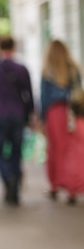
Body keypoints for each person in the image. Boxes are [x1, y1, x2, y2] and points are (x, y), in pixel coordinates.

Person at [0, 36, 34, 206]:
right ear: (13, 48)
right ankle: (14, 185)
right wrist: (30, 115)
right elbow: (28, 95)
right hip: (17, 115)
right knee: (16, 152)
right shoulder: (21, 69)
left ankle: (8, 178)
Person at [39, 39, 84, 205]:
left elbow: (44, 98)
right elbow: (79, 93)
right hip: (72, 113)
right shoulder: (73, 69)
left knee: (55, 150)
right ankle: (73, 188)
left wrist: (43, 119)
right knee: (73, 150)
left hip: (55, 113)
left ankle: (55, 185)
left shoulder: (48, 71)